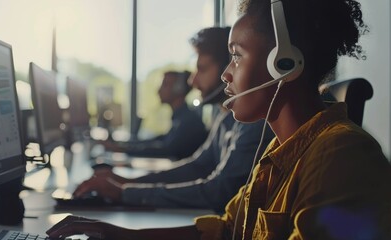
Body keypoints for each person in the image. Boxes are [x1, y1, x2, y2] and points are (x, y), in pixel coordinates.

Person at [47, 0, 391, 237]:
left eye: (237, 57)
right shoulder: (276, 156)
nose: (227, 74)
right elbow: (227, 229)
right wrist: (118, 235)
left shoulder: (340, 156)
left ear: (284, 64)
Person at [68, 26, 274, 213]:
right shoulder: (224, 119)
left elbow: (218, 190)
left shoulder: (254, 123)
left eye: (201, 69)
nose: (193, 81)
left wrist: (125, 191)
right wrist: (128, 184)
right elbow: (197, 166)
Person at [103, 70, 208, 160]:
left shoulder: (188, 121)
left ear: (178, 89)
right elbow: (160, 140)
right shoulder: (181, 117)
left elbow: (166, 150)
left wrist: (122, 149)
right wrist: (122, 145)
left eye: (165, 85)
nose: (158, 90)